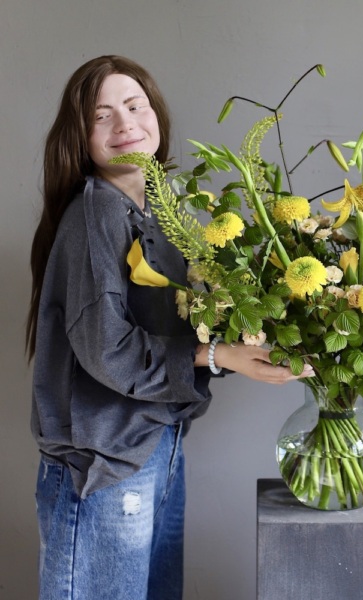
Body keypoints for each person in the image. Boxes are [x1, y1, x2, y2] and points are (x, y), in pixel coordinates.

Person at [25, 55, 314, 600]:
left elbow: (183, 315)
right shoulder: (97, 214)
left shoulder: (161, 207)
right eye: (101, 115)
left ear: (156, 113)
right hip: (104, 463)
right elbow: (108, 349)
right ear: (79, 137)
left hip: (154, 442)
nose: (125, 124)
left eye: (135, 106)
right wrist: (221, 356)